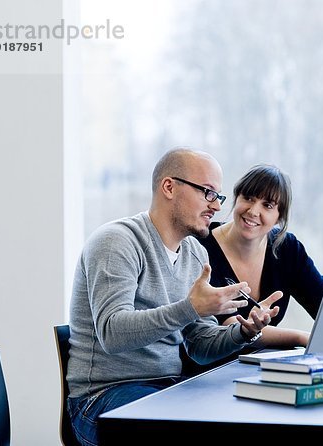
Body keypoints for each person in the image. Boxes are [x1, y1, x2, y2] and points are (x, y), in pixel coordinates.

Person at [66, 149, 281, 446]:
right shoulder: (117, 242)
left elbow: (199, 346)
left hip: (166, 389)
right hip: (102, 397)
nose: (216, 207)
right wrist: (190, 307)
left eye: (218, 197)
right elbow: (112, 333)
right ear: (169, 187)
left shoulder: (195, 254)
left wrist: (243, 332)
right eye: (208, 193)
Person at [200, 163, 323, 348]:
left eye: (267, 205)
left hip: (262, 368)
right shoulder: (200, 247)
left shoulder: (287, 249)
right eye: (248, 198)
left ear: (279, 217)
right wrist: (301, 338)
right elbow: (227, 326)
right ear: (236, 198)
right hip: (209, 370)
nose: (253, 211)